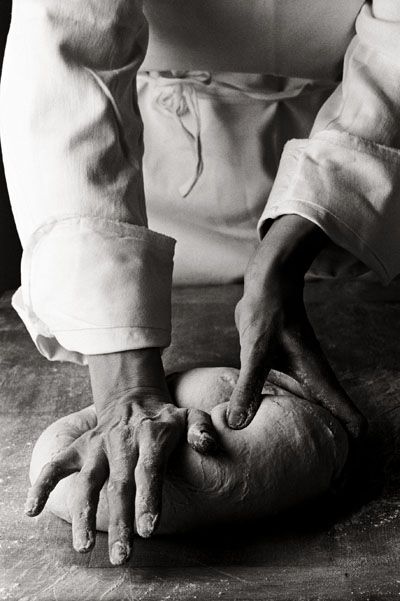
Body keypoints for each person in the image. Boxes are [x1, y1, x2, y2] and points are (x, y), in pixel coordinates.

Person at [0, 0, 398, 565]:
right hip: (157, 193)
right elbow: (64, 47)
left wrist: (291, 243)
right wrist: (124, 382)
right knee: (126, 338)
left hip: (347, 170)